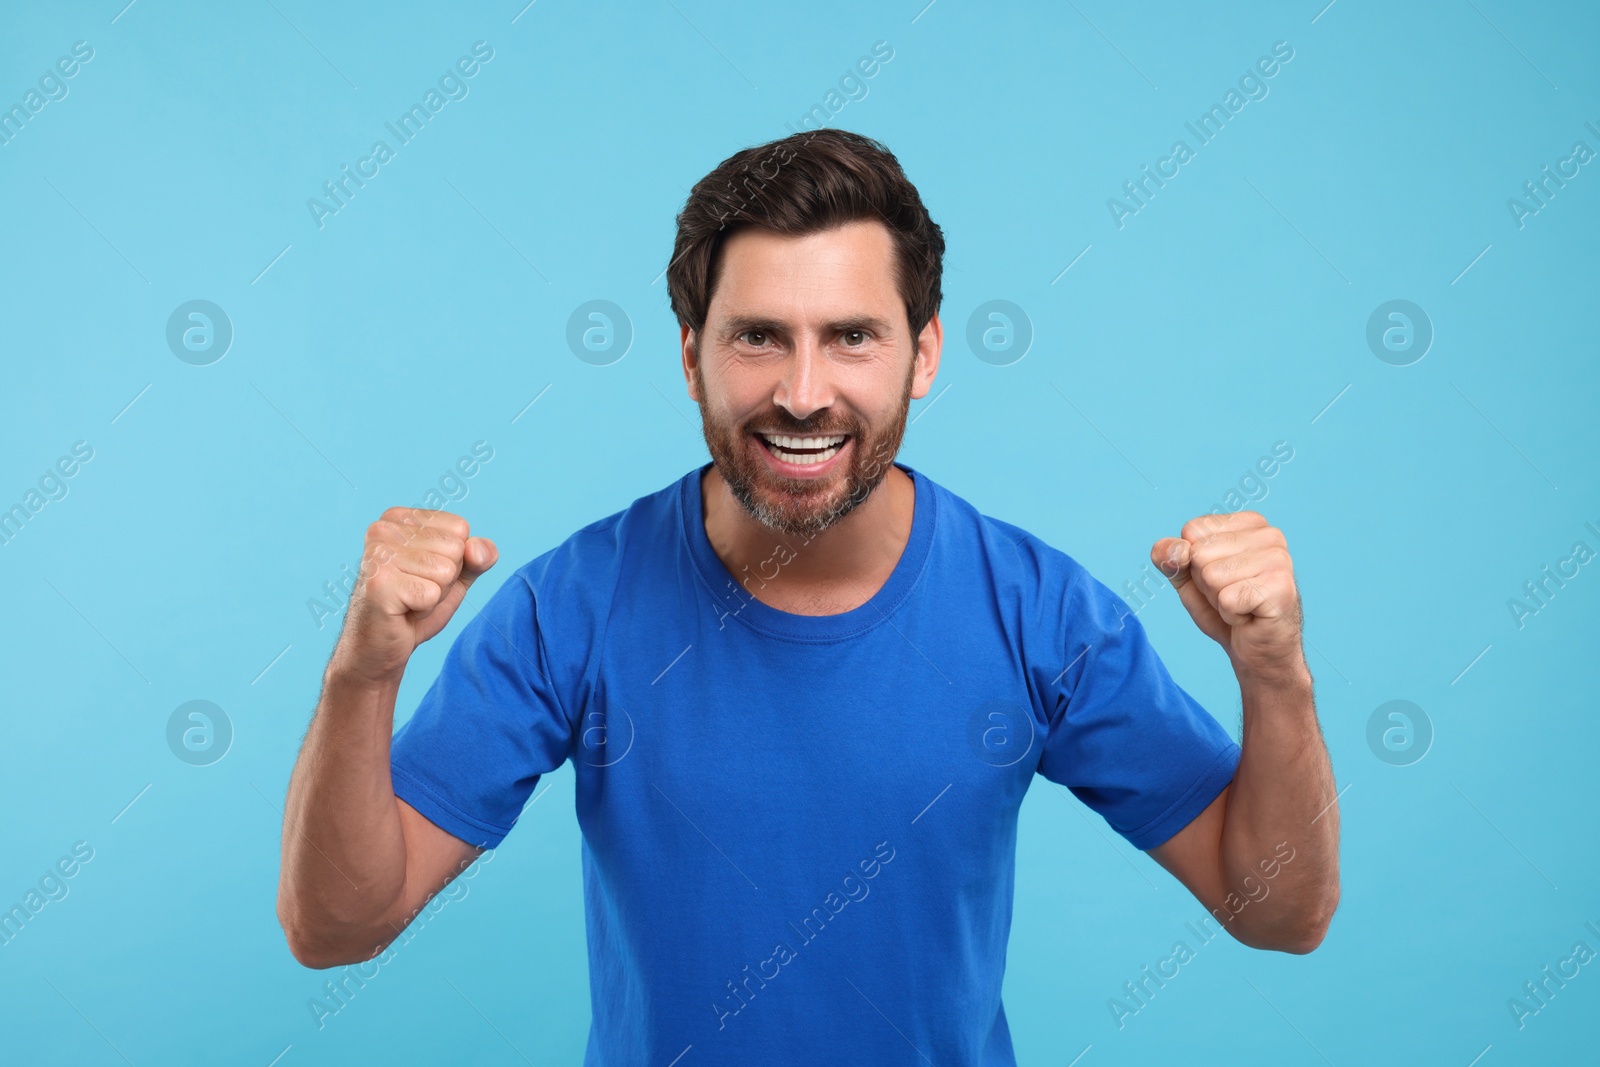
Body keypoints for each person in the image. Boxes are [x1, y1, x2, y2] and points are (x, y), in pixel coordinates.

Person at [275, 128, 1340, 1064]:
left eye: (851, 335)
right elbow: (336, 926)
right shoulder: (573, 604)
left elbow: (1282, 910)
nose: (800, 391)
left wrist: (1275, 674)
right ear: (691, 357)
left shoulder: (1040, 612)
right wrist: (361, 673)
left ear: (922, 353)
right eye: (757, 336)